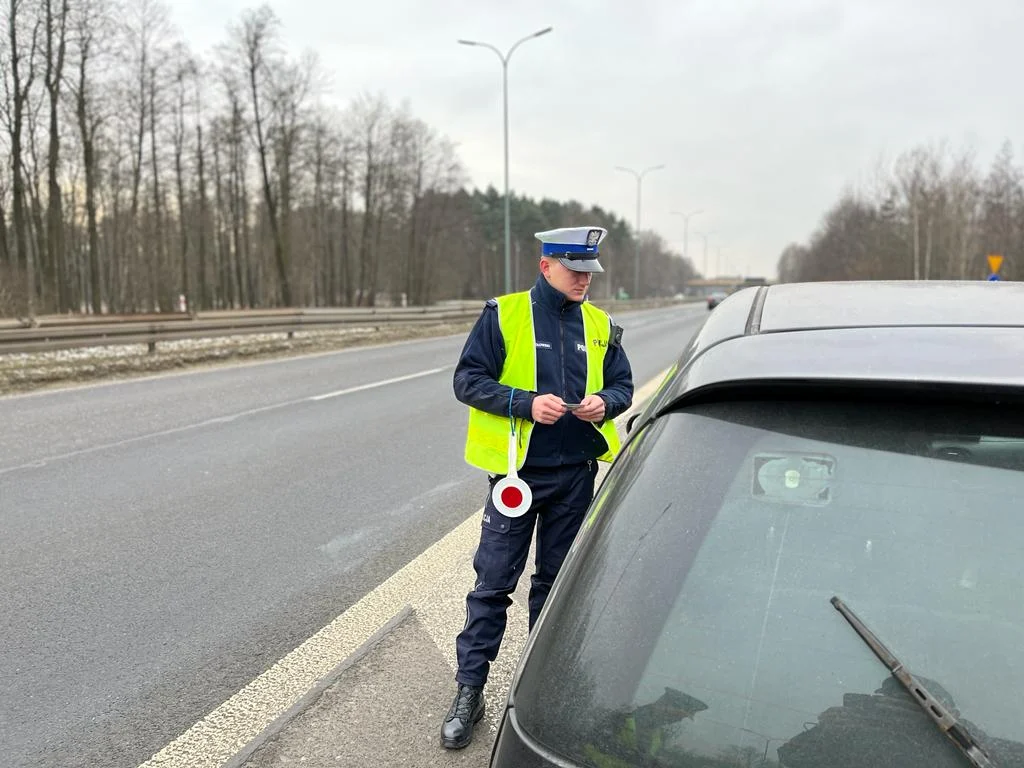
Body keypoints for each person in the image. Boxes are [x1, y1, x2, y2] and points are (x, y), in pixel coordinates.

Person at [440, 226, 634, 749]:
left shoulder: (601, 324)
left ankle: (539, 692)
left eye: (590, 273)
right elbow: (467, 381)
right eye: (574, 271)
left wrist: (606, 403)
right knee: (493, 585)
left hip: (576, 475)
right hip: (517, 477)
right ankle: (469, 692)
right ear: (546, 266)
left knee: (556, 588)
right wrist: (524, 403)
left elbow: (623, 386)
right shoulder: (503, 314)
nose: (584, 281)